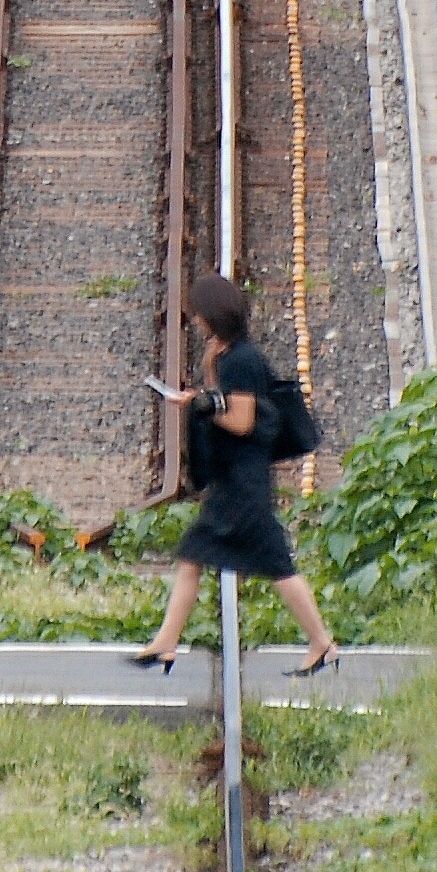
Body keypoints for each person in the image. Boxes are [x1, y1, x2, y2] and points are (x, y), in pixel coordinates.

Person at [135, 273, 339, 674]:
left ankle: (321, 641)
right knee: (208, 557)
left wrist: (200, 404)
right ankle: (167, 641)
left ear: (213, 315)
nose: (195, 321)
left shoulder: (243, 361)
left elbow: (242, 421)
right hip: (236, 477)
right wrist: (204, 392)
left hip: (244, 481)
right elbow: (223, 401)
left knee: (269, 563)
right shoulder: (227, 354)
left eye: (198, 315)